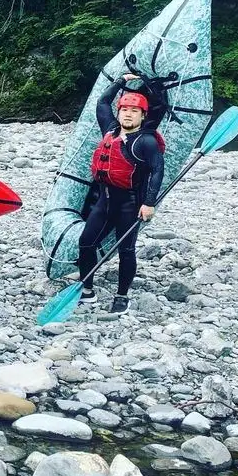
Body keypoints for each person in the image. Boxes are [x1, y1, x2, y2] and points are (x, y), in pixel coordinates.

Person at [78, 72, 165, 315]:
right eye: (124, 109)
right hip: (104, 201)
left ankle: (122, 296)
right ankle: (87, 291)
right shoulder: (110, 129)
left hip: (130, 203)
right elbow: (102, 103)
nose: (128, 113)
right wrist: (121, 81)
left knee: (126, 251)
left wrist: (149, 203)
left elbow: (157, 171)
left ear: (143, 116)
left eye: (134, 111)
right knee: (86, 243)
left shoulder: (145, 141)